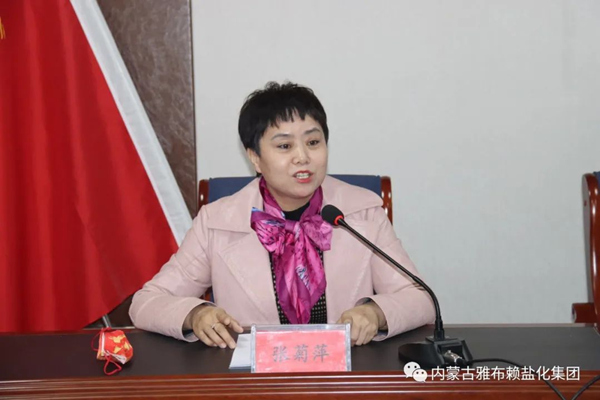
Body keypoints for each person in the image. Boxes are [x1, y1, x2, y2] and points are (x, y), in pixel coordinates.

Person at [129, 82, 435, 349]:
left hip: (342, 378)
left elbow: (420, 299)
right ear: (255, 158)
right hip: (254, 382)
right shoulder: (217, 221)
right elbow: (146, 303)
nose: (302, 157)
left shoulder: (361, 212)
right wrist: (195, 314)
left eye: (313, 142)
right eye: (285, 146)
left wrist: (374, 312)